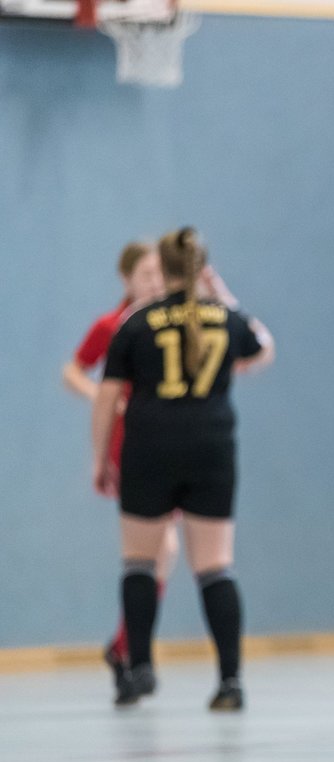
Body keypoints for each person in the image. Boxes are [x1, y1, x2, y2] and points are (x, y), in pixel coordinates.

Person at [92, 227, 274, 710]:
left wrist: (99, 460)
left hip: (148, 450)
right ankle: (230, 680)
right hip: (212, 450)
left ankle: (141, 668)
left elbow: (107, 398)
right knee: (214, 566)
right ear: (200, 269)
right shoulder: (224, 317)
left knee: (139, 561)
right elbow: (263, 348)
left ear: (165, 269)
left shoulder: (135, 322)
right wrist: (222, 292)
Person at [63, 241, 181, 704]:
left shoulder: (170, 324)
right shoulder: (112, 327)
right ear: (127, 279)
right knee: (160, 545)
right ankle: (131, 648)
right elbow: (74, 370)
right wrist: (101, 398)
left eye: (161, 274)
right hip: (128, 444)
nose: (155, 282)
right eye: (146, 274)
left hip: (169, 442)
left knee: (161, 553)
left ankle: (124, 646)